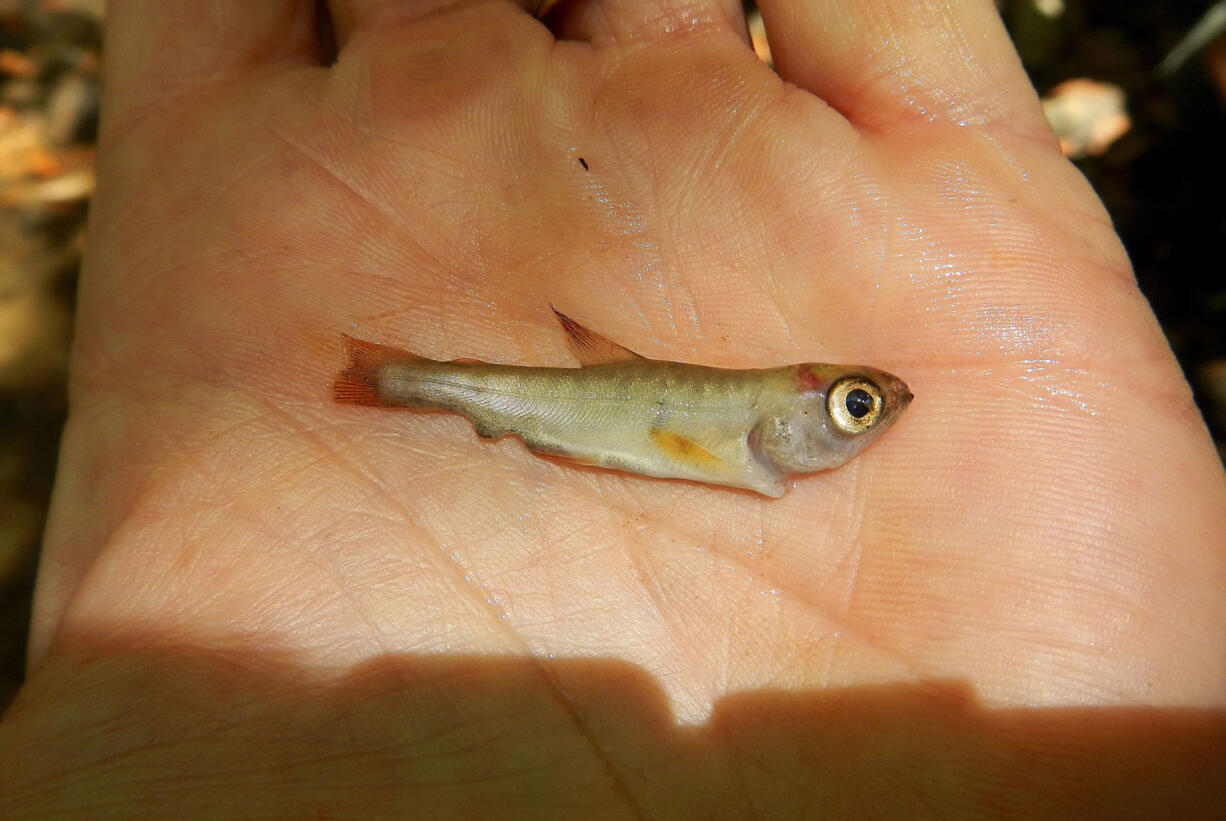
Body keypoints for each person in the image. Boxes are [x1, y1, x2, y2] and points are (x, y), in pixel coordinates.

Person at [3, 0, 1224, 815]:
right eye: (851, 405)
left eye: (856, 408)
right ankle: (407, 377)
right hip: (558, 402)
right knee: (478, 384)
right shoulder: (750, 444)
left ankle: (412, 379)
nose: (858, 417)